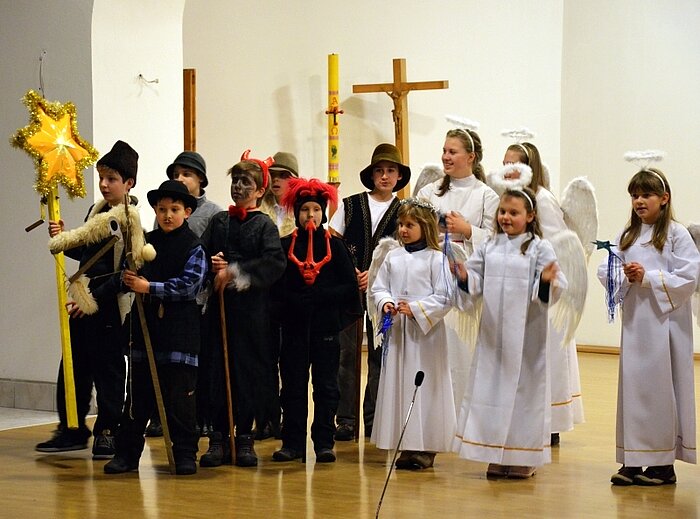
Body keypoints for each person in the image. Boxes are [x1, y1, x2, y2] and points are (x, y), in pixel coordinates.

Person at [452, 187, 566, 479]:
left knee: (523, 396)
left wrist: (544, 282)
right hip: (493, 336)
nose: (506, 217)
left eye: (513, 213)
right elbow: (475, 279)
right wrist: (466, 277)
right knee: (492, 393)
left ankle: (523, 456)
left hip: (526, 338)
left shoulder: (539, 248)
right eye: (503, 211)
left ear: (530, 216)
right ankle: (496, 453)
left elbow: (556, 284)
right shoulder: (490, 246)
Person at [36, 140, 138, 460]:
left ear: (129, 183)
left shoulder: (129, 219)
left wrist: (92, 298)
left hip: (107, 305)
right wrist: (63, 237)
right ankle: (72, 427)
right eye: (102, 177)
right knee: (73, 365)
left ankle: (108, 430)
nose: (104, 184)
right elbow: (87, 256)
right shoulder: (95, 211)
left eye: (112, 179)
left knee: (108, 370)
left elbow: (124, 273)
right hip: (81, 302)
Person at [597, 168, 699, 486]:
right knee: (634, 390)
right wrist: (622, 274)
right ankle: (633, 459)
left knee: (661, 390)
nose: (639, 201)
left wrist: (649, 277)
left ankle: (663, 465)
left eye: (646, 195)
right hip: (635, 326)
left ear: (664, 199)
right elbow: (607, 266)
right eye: (635, 195)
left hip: (666, 327)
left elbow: (689, 275)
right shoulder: (628, 233)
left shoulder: (676, 235)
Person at [104, 180, 208, 475]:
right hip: (145, 330)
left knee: (180, 399)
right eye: (162, 209)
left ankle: (186, 454)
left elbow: (189, 286)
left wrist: (148, 286)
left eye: (174, 209)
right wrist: (130, 277)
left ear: (187, 212)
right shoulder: (143, 242)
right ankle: (126, 455)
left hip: (180, 335)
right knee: (137, 398)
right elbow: (129, 275)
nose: (167, 215)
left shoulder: (195, 247)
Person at [494, 141, 585, 446]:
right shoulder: (510, 199)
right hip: (519, 290)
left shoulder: (541, 200)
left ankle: (550, 420)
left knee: (545, 359)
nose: (507, 170)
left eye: (514, 165)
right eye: (504, 163)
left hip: (542, 291)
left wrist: (544, 276)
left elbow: (560, 242)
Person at [199, 152, 286, 468]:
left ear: (260, 190)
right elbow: (200, 255)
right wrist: (212, 266)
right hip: (220, 310)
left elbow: (274, 262)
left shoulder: (263, 225)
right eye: (235, 181)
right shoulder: (219, 221)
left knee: (246, 374)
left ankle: (245, 437)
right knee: (216, 373)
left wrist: (234, 271)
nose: (238, 187)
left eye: (245, 182)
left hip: (251, 315)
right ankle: (218, 438)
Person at [272, 177, 362, 463]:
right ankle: (292, 443)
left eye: (315, 210)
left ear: (323, 213)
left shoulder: (336, 247)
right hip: (294, 329)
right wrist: (293, 302)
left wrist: (323, 298)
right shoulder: (284, 245)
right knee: (293, 387)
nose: (310, 216)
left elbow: (349, 287)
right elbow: (275, 287)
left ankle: (324, 441)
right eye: (304, 210)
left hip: (325, 329)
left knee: (326, 387)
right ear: (296, 213)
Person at [329, 143, 410, 441]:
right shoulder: (350, 205)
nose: (385, 176)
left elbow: (409, 250)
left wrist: (376, 278)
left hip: (384, 296)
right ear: (372, 175)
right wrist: (351, 272)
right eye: (380, 170)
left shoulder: (405, 209)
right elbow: (333, 240)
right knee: (347, 353)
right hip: (349, 292)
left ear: (399, 176)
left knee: (380, 354)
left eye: (391, 171)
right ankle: (346, 420)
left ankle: (375, 418)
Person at [416, 128, 499, 411]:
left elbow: (498, 242)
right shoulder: (429, 192)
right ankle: (433, 412)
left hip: (466, 284)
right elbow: (415, 230)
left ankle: (463, 414)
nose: (445, 157)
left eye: (453, 152)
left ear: (471, 157)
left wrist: (467, 230)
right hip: (430, 279)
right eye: (444, 151)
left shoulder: (486, 195)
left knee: (461, 352)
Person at [369, 198, 454, 469]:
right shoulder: (393, 256)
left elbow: (445, 297)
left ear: (425, 226)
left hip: (424, 337)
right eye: (401, 224)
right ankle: (405, 443)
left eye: (410, 225)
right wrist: (386, 303)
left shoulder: (436, 259)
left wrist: (416, 308)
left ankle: (425, 446)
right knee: (400, 384)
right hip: (399, 334)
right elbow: (378, 288)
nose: (403, 230)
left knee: (424, 386)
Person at [145, 150, 222, 439]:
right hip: (161, 302)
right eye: (176, 174)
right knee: (159, 368)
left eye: (186, 173)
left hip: (196, 301)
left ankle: (195, 421)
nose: (180, 178)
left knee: (188, 372)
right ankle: (157, 415)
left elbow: (208, 254)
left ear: (200, 178)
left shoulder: (213, 212)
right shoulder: (160, 219)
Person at [256, 151, 300, 441]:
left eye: (285, 176)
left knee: (291, 360)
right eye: (274, 174)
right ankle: (267, 417)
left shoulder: (303, 211)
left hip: (294, 294)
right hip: (265, 294)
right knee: (265, 358)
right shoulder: (260, 210)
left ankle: (289, 419)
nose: (277, 180)